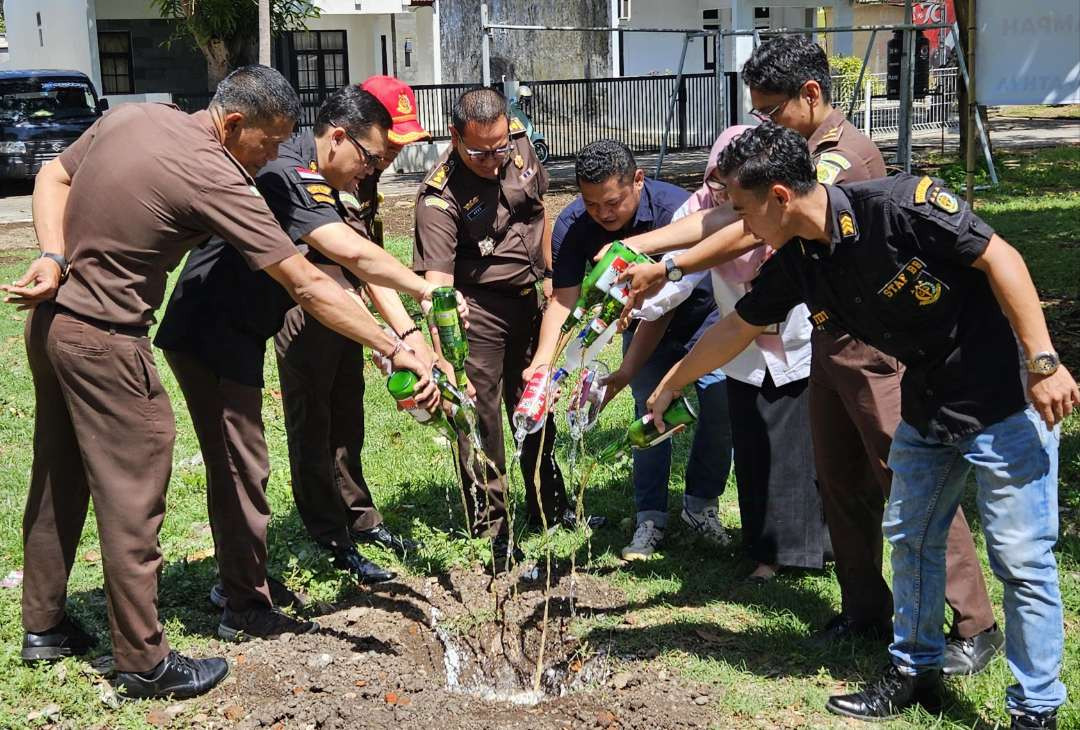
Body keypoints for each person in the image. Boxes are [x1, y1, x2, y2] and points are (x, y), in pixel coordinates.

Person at [6, 65, 433, 700]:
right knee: (134, 497)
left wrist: (52, 256)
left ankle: (43, 626)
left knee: (58, 474)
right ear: (233, 124)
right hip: (106, 338)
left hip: (51, 324)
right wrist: (393, 347)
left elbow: (54, 174)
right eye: (267, 142)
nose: (271, 157)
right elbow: (310, 282)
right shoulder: (218, 175)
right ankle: (144, 662)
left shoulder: (137, 115)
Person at [648, 122, 1076, 729]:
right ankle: (914, 670)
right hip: (927, 407)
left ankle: (1035, 709)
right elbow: (736, 327)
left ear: (779, 198)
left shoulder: (902, 207)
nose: (738, 224)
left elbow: (1002, 257)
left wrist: (1044, 363)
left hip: (1003, 398)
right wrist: (671, 383)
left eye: (741, 209)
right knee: (910, 540)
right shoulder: (798, 262)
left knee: (1020, 558)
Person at [618, 34, 1001, 673]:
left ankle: (973, 623)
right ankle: (864, 610)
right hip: (830, 339)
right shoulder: (791, 159)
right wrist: (657, 260)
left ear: (812, 94)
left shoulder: (836, 161)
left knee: (911, 483)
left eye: (769, 112)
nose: (761, 123)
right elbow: (736, 268)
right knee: (841, 481)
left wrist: (671, 263)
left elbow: (747, 224)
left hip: (873, 352)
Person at [155, 84, 445, 640]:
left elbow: (342, 275)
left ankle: (243, 578)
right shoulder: (289, 176)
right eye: (369, 157)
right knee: (243, 464)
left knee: (240, 463)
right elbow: (349, 258)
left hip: (233, 335)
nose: (371, 170)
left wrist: (394, 337)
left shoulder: (317, 182)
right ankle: (242, 601)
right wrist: (419, 303)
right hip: (209, 335)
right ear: (337, 137)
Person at [603, 127, 828, 580]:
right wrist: (639, 302)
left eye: (731, 189)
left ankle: (813, 548)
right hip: (740, 345)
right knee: (752, 449)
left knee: (799, 448)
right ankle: (764, 551)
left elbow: (697, 255)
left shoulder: (771, 216)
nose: (722, 195)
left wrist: (662, 268)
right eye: (716, 184)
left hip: (794, 342)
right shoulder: (702, 209)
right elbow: (677, 278)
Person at [524, 139, 732, 561]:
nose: (603, 213)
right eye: (591, 203)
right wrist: (544, 361)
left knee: (719, 402)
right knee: (648, 410)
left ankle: (701, 506)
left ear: (639, 180)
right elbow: (564, 300)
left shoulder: (678, 211)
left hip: (701, 314)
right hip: (639, 323)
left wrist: (627, 365)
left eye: (613, 202)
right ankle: (650, 517)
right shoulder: (572, 225)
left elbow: (669, 303)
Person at [273, 75, 432, 562]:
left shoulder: (360, 173)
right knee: (314, 423)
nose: (386, 161)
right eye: (383, 149)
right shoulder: (296, 171)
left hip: (346, 304)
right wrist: (397, 341)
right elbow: (338, 264)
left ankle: (359, 519)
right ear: (349, 129)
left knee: (347, 413)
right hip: (306, 307)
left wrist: (405, 333)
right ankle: (330, 535)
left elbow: (368, 262)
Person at [412, 87, 570, 573]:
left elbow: (538, 208)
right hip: (477, 310)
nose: (494, 159)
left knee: (534, 402)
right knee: (481, 416)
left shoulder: (517, 141)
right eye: (480, 151)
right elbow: (437, 290)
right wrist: (445, 361)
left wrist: (548, 277)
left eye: (500, 147)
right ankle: (493, 527)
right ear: (456, 137)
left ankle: (551, 507)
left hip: (529, 300)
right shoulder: (438, 198)